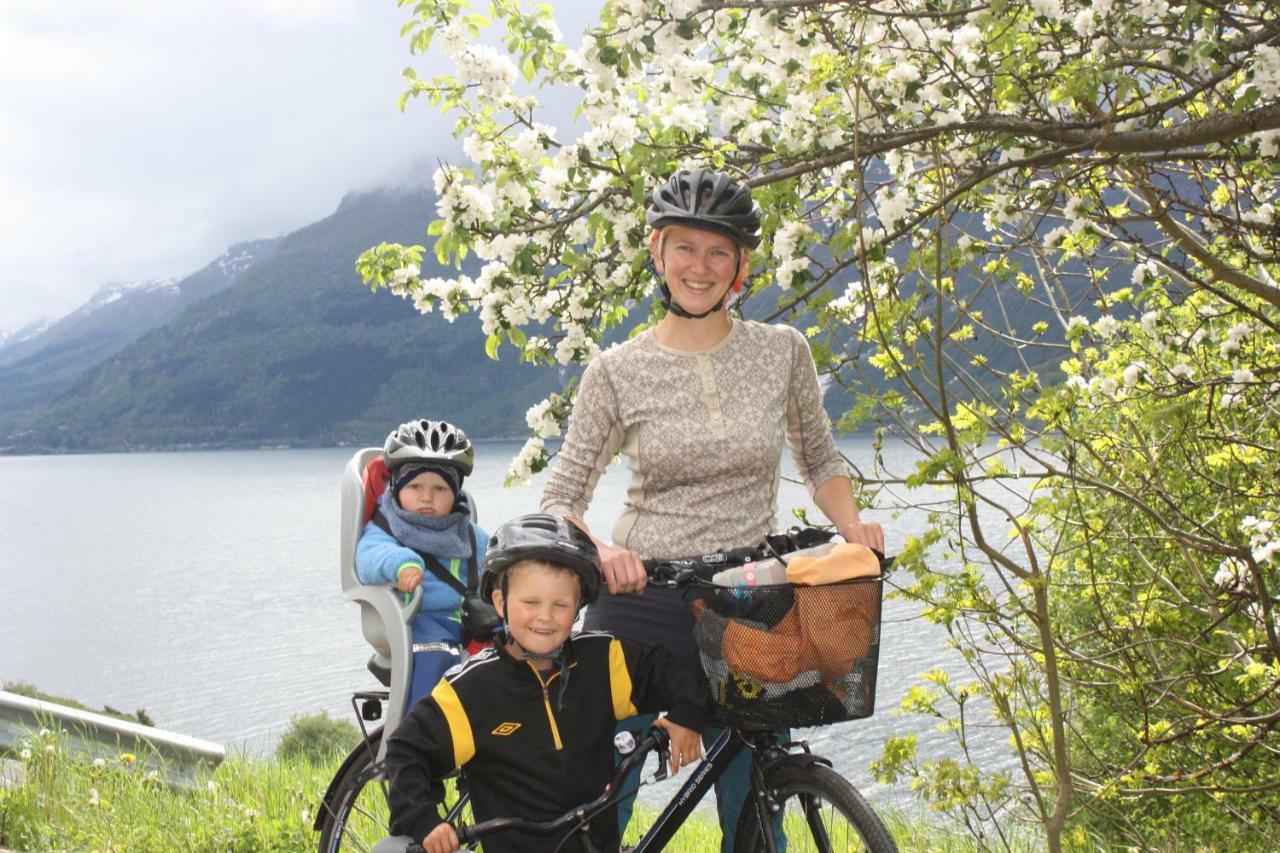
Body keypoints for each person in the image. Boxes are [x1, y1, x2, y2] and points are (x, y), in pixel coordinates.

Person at [539, 168, 885, 850]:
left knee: (760, 803)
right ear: (657, 252)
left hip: (749, 601)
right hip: (643, 599)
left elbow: (820, 458)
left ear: (742, 265)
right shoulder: (615, 370)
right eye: (685, 248)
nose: (701, 267)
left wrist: (855, 532)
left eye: (718, 251)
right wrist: (602, 551)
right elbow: (560, 496)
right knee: (602, 793)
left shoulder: (782, 351)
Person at [382, 513, 709, 853]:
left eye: (560, 605)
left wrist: (686, 715)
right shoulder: (471, 692)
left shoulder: (602, 661)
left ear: (579, 604)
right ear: (500, 602)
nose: (545, 617)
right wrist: (425, 820)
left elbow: (668, 670)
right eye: (530, 602)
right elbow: (407, 751)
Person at [356, 418, 488, 708]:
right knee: (437, 658)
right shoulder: (389, 526)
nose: (426, 497)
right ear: (396, 487)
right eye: (415, 486)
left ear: (455, 494)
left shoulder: (466, 532)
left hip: (469, 621)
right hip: (418, 620)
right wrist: (403, 564)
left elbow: (494, 560)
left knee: (517, 654)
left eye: (439, 489)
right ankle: (421, 733)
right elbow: (368, 556)